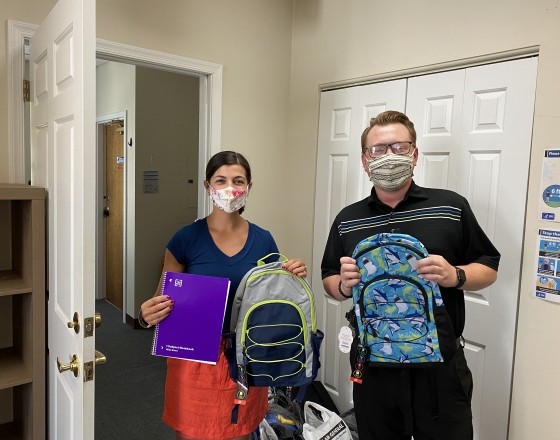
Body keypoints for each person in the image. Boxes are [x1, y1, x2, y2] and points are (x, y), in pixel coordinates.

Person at [321, 111, 500, 440]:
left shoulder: (450, 207)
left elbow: (488, 267)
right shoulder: (348, 219)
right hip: (372, 364)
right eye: (377, 149)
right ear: (364, 160)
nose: (388, 156)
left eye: (399, 147)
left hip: (439, 365)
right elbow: (329, 279)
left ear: (414, 154)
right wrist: (343, 285)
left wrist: (455, 275)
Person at [139, 151, 308, 440]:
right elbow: (160, 301)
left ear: (249, 187)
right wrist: (146, 315)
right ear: (208, 187)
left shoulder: (263, 239)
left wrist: (291, 276)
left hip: (243, 356)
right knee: (191, 433)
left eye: (238, 180)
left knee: (239, 432)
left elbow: (273, 302)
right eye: (221, 180)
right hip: (194, 361)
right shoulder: (185, 239)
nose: (230, 188)